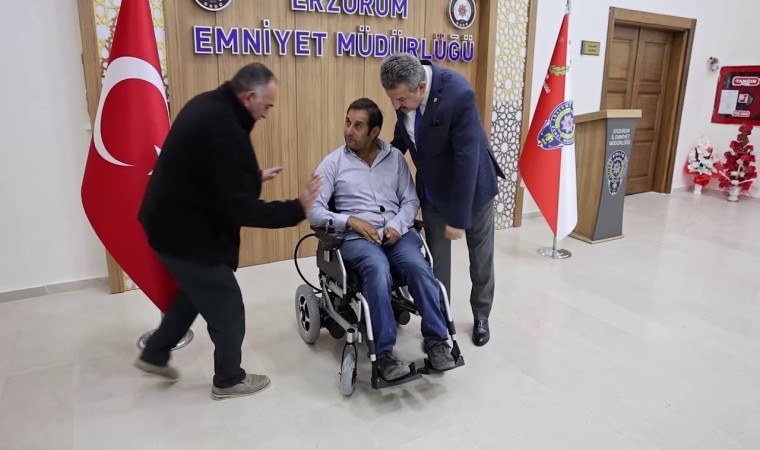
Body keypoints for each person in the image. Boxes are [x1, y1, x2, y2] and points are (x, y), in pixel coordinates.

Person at [134, 63, 322, 400]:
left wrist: (250, 177)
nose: (266, 114)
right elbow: (239, 208)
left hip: (169, 221)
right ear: (249, 97)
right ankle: (228, 379)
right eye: (266, 106)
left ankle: (155, 354)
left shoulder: (210, 105)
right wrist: (298, 208)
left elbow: (212, 172)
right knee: (227, 306)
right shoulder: (224, 128)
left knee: (196, 291)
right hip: (184, 232)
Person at [308, 98, 456, 381]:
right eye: (347, 122)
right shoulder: (333, 163)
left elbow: (410, 201)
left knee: (418, 266)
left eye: (358, 125)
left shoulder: (395, 159)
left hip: (396, 234)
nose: (348, 130)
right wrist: (350, 220)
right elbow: (314, 211)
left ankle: (437, 342)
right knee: (377, 267)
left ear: (374, 132)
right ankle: (384, 354)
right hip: (357, 239)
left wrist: (396, 226)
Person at [380, 53, 506, 347]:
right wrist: (375, 159)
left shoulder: (459, 94)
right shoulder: (404, 94)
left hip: (472, 191)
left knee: (481, 260)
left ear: (421, 88)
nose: (396, 106)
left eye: (400, 100)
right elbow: (403, 137)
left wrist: (459, 218)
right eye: (392, 99)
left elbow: (467, 159)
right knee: (436, 263)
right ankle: (440, 324)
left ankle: (481, 316)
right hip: (433, 190)